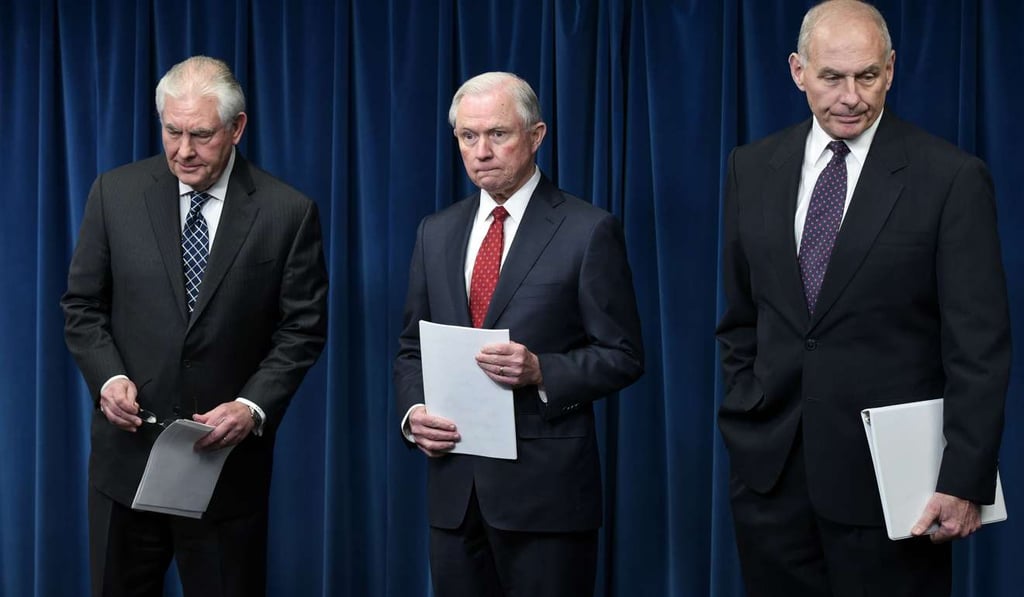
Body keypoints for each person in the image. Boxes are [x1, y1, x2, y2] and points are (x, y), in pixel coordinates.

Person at [716, 1, 1010, 595]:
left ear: (892, 70)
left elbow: (979, 345)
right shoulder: (751, 167)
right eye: (831, 77)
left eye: (867, 76)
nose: (851, 95)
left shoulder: (950, 178)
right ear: (798, 72)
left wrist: (964, 478)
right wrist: (747, 415)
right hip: (773, 479)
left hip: (897, 489)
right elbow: (741, 320)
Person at [61, 55, 328, 596]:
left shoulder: (287, 212)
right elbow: (82, 306)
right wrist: (109, 379)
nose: (184, 150)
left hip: (224, 470)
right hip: (125, 465)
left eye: (201, 135)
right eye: (172, 131)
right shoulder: (115, 193)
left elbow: (301, 330)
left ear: (237, 128)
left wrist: (252, 407)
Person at [393, 71, 643, 596]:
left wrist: (542, 371)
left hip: (547, 497)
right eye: (468, 136)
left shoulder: (588, 229)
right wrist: (414, 415)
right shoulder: (435, 231)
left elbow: (622, 355)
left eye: (498, 134)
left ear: (536, 135)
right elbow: (411, 348)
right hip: (455, 494)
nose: (482, 151)